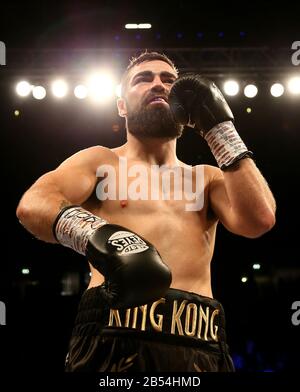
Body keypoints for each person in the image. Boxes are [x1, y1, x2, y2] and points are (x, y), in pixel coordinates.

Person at [16, 51, 276, 372]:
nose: (159, 85)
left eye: (169, 80)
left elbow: (259, 219)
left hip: (197, 339)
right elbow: (34, 204)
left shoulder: (206, 178)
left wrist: (219, 129)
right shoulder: (102, 162)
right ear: (121, 105)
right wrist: (96, 235)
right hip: (112, 334)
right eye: (144, 79)